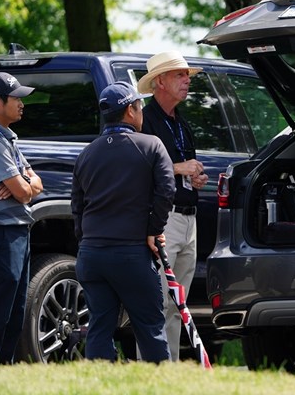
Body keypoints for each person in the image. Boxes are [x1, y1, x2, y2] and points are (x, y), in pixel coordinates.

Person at [71, 81, 175, 363]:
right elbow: (167, 191)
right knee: (150, 327)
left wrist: (87, 243)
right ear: (131, 110)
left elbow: (77, 208)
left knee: (99, 327)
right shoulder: (151, 145)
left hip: (91, 255)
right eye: (140, 106)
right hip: (131, 254)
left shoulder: (86, 153)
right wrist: (154, 230)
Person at [137, 51, 209, 361]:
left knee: (179, 303)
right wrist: (179, 168)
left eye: (187, 75)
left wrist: (197, 176)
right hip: (162, 220)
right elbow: (138, 166)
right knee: (157, 301)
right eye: (179, 75)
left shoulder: (181, 123)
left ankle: (170, 370)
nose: (186, 80)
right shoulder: (145, 120)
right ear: (159, 82)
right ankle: (150, 369)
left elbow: (185, 165)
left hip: (188, 219)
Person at [0, 72, 43, 364]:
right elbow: (25, 192)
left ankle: (6, 366)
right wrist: (24, 185)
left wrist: (24, 181)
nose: (22, 103)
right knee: (3, 302)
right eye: (16, 98)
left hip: (18, 229)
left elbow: (35, 184)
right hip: (3, 231)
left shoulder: (8, 139)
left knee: (16, 304)